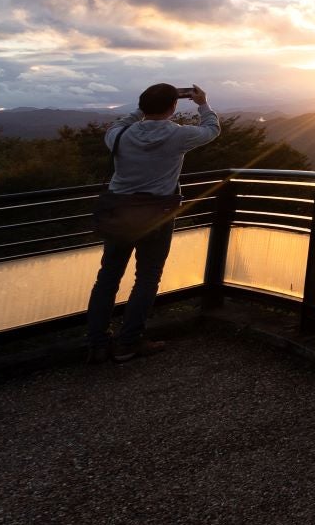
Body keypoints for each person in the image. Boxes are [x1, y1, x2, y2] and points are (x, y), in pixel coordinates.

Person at [84, 82, 219, 363]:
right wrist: (202, 103)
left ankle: (97, 345)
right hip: (157, 215)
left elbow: (118, 125)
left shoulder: (119, 137)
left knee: (107, 279)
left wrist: (139, 111)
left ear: (142, 106)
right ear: (173, 107)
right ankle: (128, 343)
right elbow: (212, 130)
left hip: (119, 214)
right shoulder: (179, 136)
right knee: (146, 278)